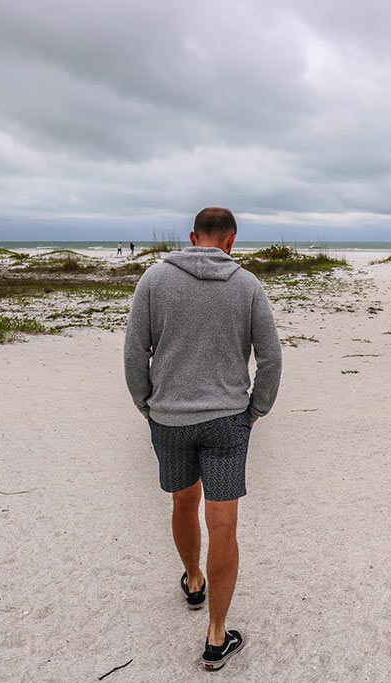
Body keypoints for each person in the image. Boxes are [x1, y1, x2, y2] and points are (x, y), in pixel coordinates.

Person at [124, 207, 282, 672]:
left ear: (193, 237)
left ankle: (194, 581)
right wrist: (257, 410)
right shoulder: (248, 286)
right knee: (225, 524)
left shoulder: (154, 280)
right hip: (228, 421)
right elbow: (270, 359)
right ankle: (216, 635)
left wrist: (145, 404)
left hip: (170, 419)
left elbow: (135, 349)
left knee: (182, 503)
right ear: (232, 240)